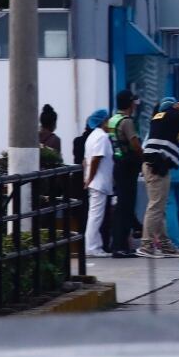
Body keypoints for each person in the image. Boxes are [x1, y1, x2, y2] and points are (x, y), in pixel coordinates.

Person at [137, 97, 179, 258]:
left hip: (152, 164)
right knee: (156, 206)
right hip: (158, 165)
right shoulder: (172, 116)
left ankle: (164, 243)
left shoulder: (158, 118)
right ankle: (146, 244)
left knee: (159, 206)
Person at [106, 90, 143, 258]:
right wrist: (144, 155)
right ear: (129, 103)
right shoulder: (127, 122)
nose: (135, 105)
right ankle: (121, 247)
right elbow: (135, 144)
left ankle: (118, 244)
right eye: (134, 102)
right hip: (128, 166)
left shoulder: (113, 120)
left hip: (118, 164)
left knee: (121, 206)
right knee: (126, 207)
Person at [82, 109, 113, 258]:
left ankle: (95, 245)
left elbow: (85, 161)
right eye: (107, 120)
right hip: (98, 182)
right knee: (95, 216)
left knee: (94, 215)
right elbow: (96, 159)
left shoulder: (91, 136)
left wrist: (87, 177)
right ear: (103, 121)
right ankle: (92, 247)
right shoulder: (102, 137)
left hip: (94, 181)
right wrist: (90, 178)